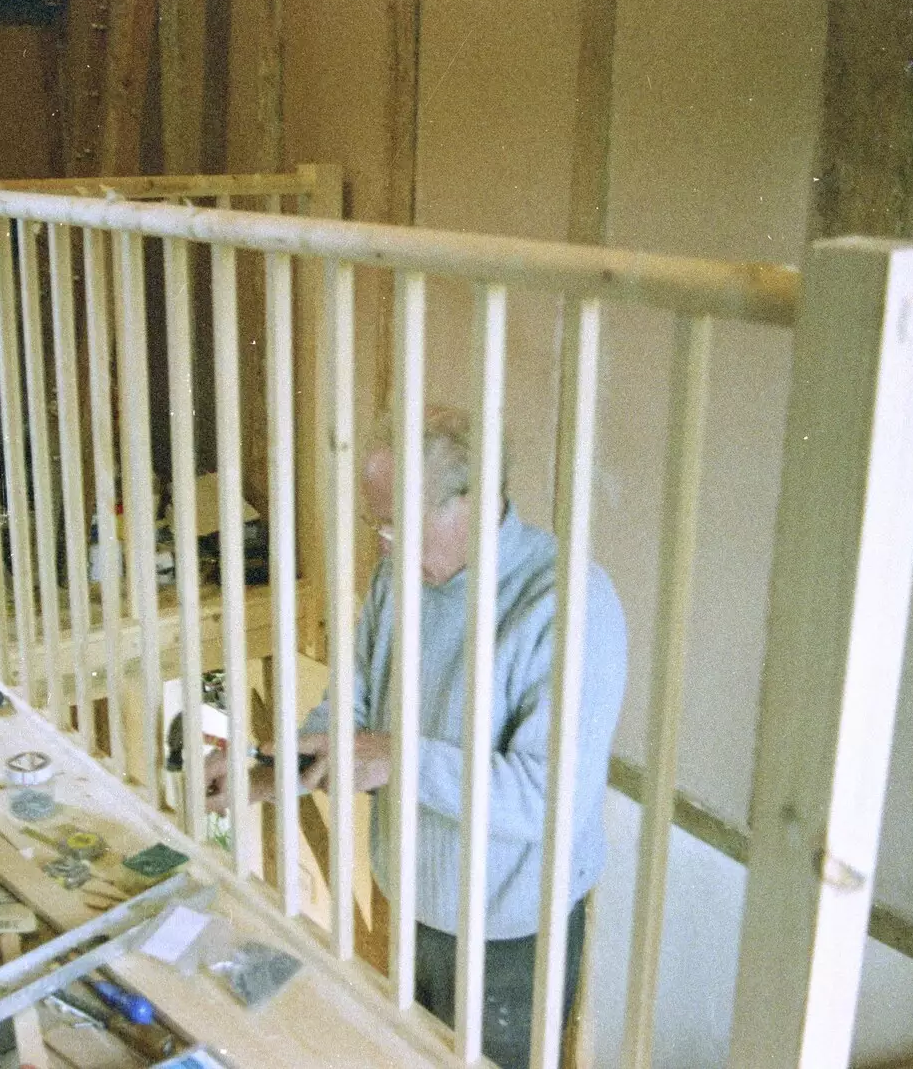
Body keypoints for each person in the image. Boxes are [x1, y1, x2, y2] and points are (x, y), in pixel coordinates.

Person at [206, 405, 627, 1069]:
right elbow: (350, 713)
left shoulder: (568, 603)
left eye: (400, 524)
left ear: (476, 500)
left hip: (510, 934)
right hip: (409, 898)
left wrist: (397, 758)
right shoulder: (400, 577)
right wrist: (267, 773)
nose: (383, 546)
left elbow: (547, 801)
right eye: (377, 523)